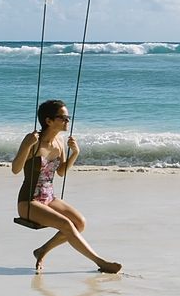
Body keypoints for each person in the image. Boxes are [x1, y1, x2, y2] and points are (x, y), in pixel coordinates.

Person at [12, 98, 121, 273]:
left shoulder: (59, 141)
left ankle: (42, 251)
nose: (67, 120)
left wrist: (75, 153)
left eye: (67, 117)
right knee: (67, 224)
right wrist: (26, 146)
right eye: (63, 117)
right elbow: (15, 169)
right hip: (29, 202)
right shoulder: (33, 140)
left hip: (49, 197)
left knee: (80, 223)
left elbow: (61, 172)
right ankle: (100, 262)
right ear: (48, 121)